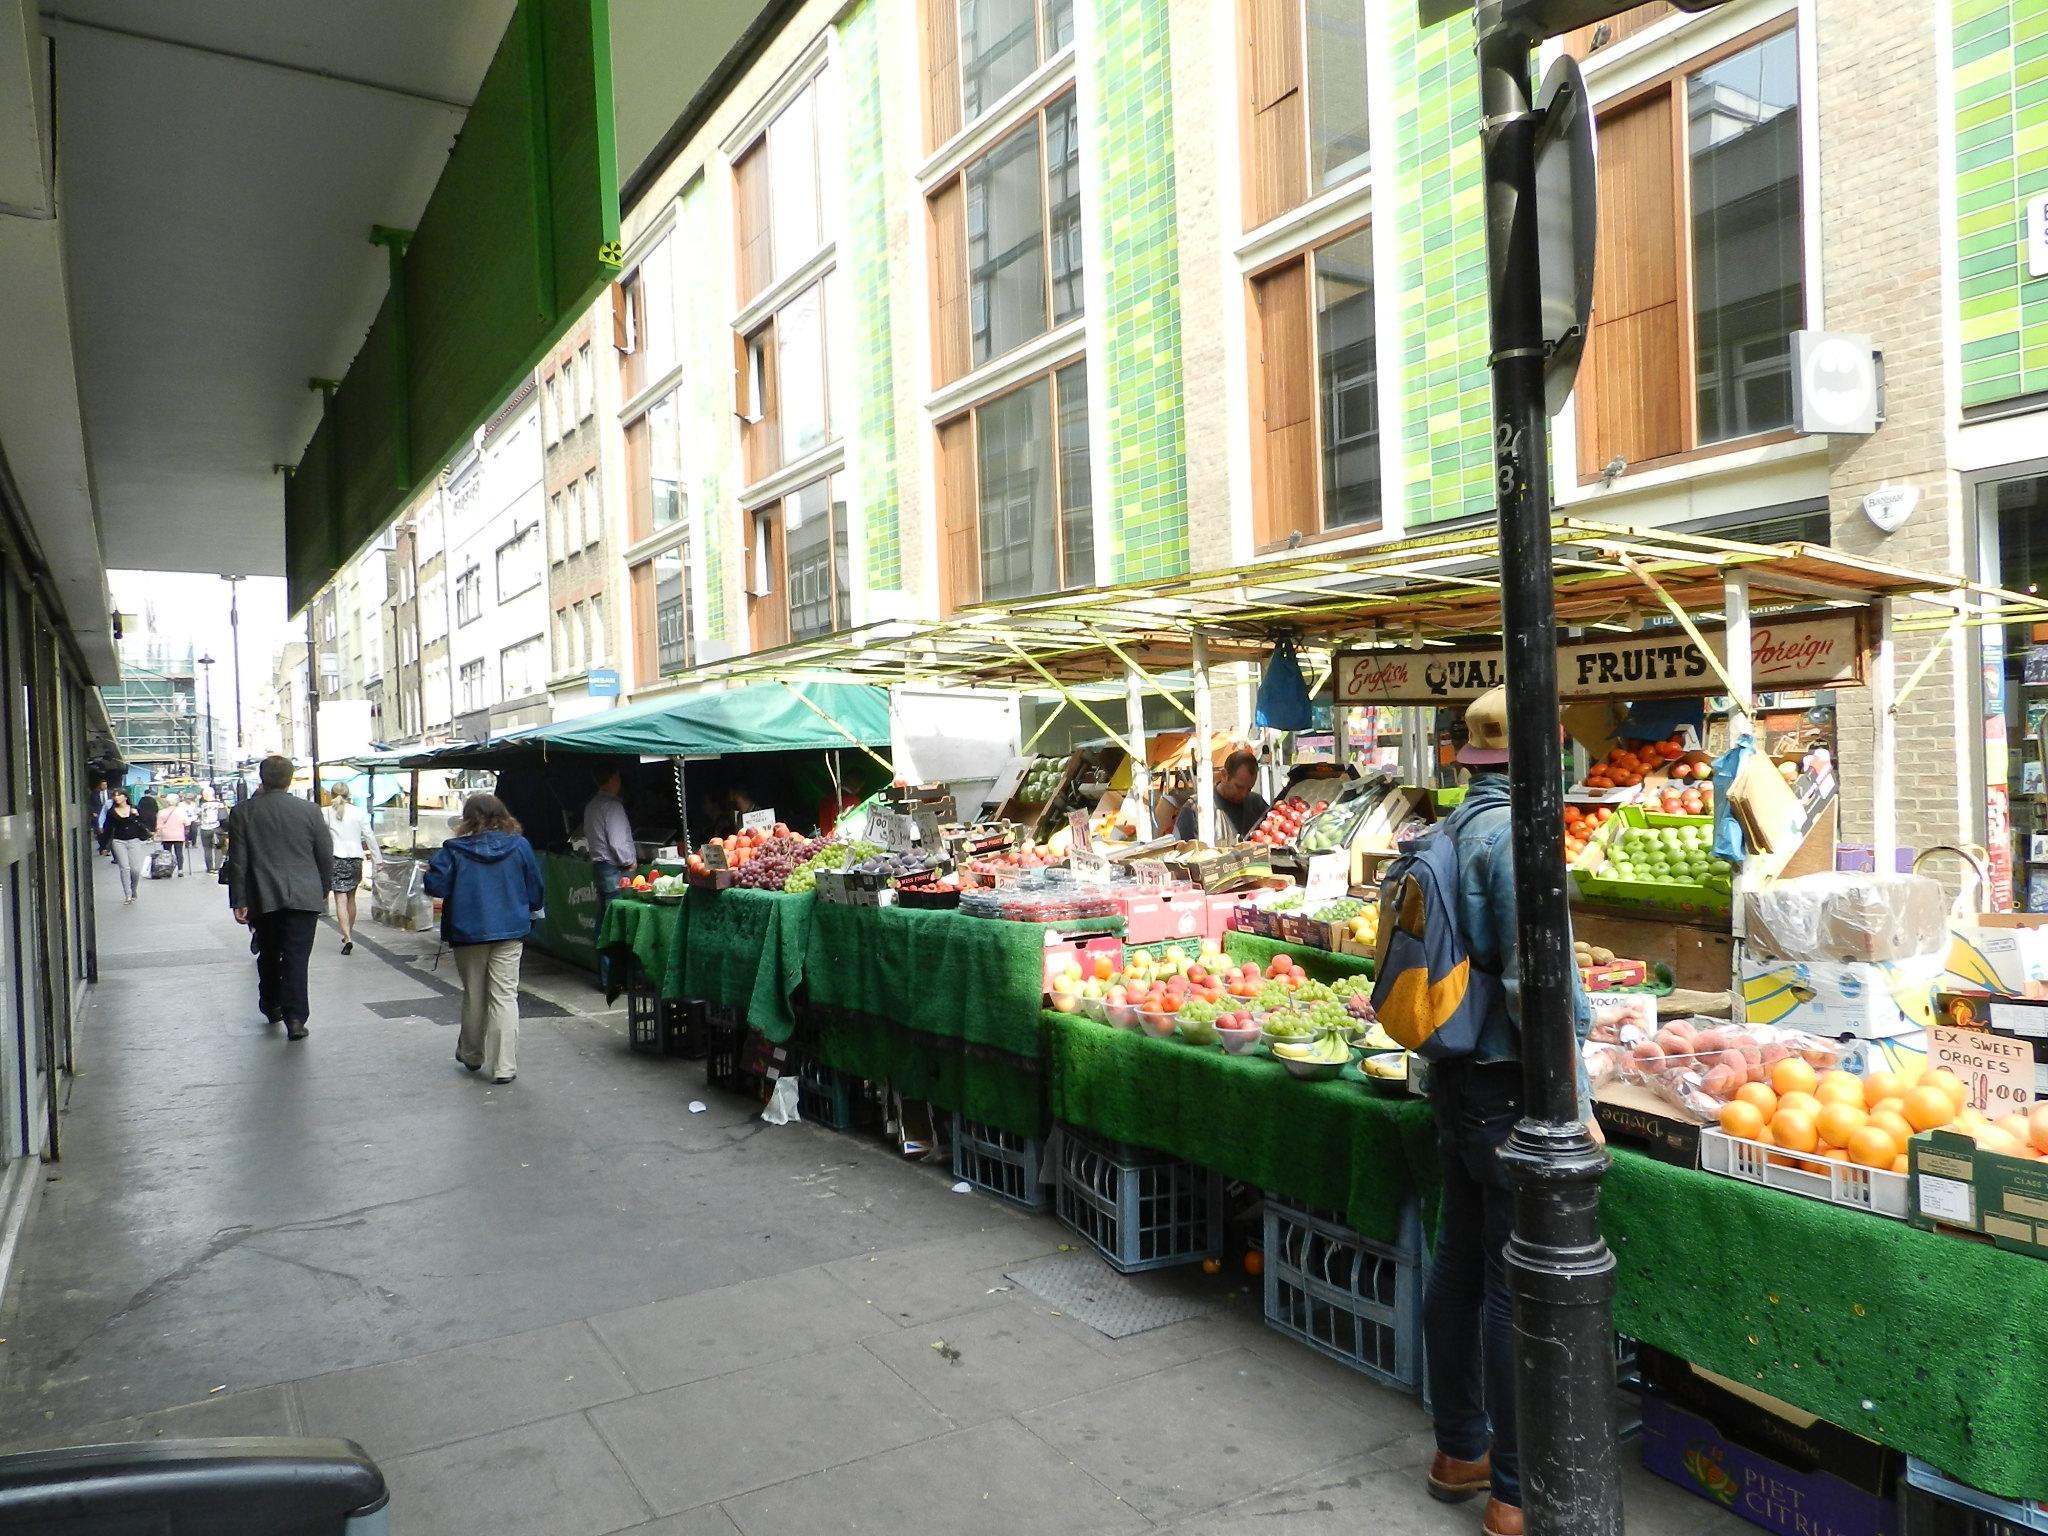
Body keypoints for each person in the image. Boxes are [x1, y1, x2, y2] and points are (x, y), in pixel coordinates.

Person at [1419, 685, 1596, 1536]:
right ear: (1542, 755)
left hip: (1452, 1077)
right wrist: (1578, 1097)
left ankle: (1460, 1451)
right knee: (1507, 1282)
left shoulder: (1445, 830)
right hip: (1505, 1086)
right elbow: (1540, 986)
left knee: (1458, 1263)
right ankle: (1516, 1495)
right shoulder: (1520, 840)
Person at [423, 793, 544, 1084]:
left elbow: (436, 887)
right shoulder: (519, 846)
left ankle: (472, 1054)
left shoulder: (454, 850)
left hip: (468, 931)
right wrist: (530, 910)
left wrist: (433, 868)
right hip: (511, 929)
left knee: (474, 994)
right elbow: (535, 888)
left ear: (467, 819)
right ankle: (504, 1067)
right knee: (505, 995)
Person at [225, 756, 335, 1042]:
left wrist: (239, 900)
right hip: (304, 894)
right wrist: (324, 888)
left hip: (263, 895)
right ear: (290, 778)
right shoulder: (310, 810)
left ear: (262, 778)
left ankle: (272, 1004)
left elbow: (238, 860)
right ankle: (296, 1019)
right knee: (297, 958)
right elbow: (325, 853)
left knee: (269, 952)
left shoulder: (243, 812)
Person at [581, 767, 635, 992]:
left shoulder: (591, 805)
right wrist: (629, 861)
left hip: (600, 868)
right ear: (613, 778)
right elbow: (617, 842)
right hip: (614, 869)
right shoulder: (612, 806)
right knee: (616, 925)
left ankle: (606, 977)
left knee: (604, 922)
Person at [323, 782, 377, 956]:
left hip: (335, 859)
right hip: (355, 859)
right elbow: (369, 835)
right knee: (351, 898)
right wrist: (378, 859)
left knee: (340, 899)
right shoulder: (359, 812)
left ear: (332, 794)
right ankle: (349, 932)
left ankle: (347, 937)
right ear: (349, 795)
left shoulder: (325, 812)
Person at [1173, 749, 1269, 843]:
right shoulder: (1196, 808)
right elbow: (1181, 848)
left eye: (1249, 789)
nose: (1244, 794)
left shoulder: (1257, 804)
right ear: (1224, 775)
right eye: (1239, 787)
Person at [105, 788, 152, 903]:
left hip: (134, 841)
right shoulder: (112, 812)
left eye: (119, 795)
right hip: (118, 842)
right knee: (124, 868)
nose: (116, 797)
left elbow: (145, 822)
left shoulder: (134, 808)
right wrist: (104, 846)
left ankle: (133, 889)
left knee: (135, 869)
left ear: (125, 797)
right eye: (115, 795)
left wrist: (137, 815)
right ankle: (128, 894)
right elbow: (108, 828)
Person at [154, 796, 190, 876]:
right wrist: (187, 832)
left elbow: (159, 826)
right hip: (178, 835)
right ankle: (180, 870)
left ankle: (167, 870)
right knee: (179, 853)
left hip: (166, 835)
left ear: (167, 802)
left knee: (167, 854)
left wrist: (158, 834)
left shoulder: (161, 812)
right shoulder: (181, 811)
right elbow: (187, 823)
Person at [197, 788, 225, 873]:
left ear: (205, 795)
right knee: (218, 848)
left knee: (207, 849)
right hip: (217, 828)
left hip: (205, 829)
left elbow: (197, 817)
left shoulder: (202, 805)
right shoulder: (220, 804)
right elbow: (224, 817)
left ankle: (210, 868)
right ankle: (217, 867)